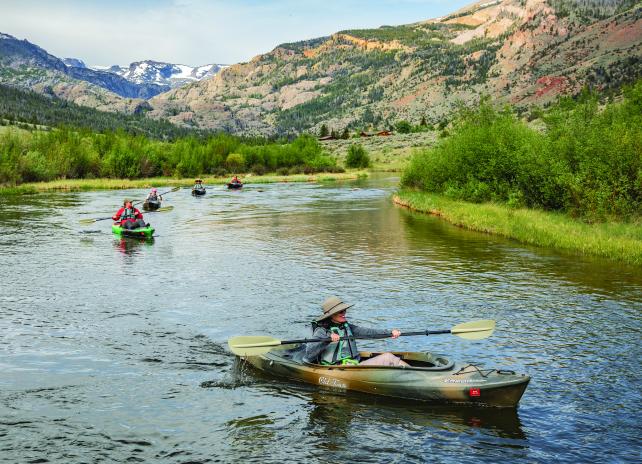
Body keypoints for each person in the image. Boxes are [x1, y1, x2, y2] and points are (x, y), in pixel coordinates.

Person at [304, 296, 409, 367]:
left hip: (353, 366)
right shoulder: (321, 331)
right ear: (331, 315)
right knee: (388, 357)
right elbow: (309, 354)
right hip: (336, 369)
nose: (344, 313)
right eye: (341, 311)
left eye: (344, 310)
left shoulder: (347, 327)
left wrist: (390, 333)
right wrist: (326, 340)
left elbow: (369, 333)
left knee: (389, 357)